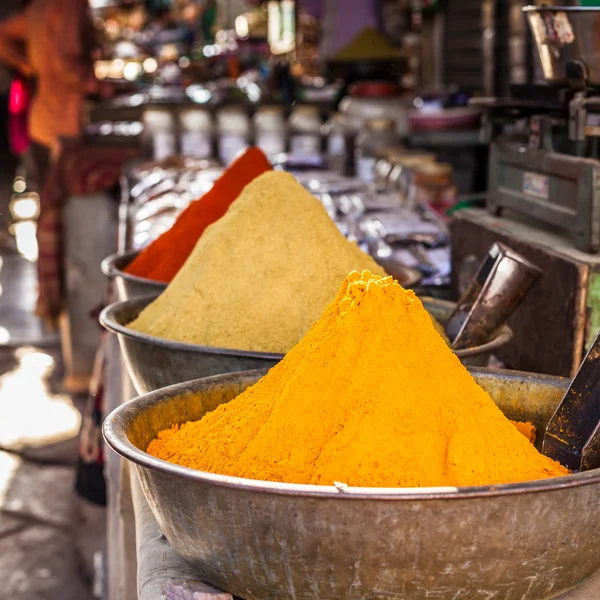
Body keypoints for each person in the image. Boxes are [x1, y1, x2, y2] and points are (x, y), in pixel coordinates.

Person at [0, 0, 101, 191]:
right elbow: (66, 64)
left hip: (43, 122)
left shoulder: (39, 6)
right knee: (63, 200)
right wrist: (96, 85)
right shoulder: (68, 4)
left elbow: (3, 34)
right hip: (64, 124)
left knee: (48, 198)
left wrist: (31, 67)